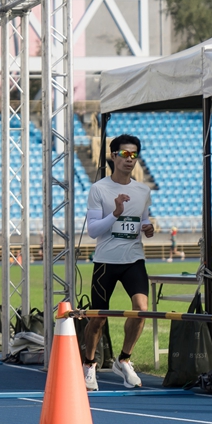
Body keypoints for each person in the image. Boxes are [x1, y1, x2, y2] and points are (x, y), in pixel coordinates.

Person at [82, 134, 154, 391]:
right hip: (106, 262)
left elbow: (143, 221)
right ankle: (89, 364)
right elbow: (93, 230)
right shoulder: (99, 189)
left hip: (134, 259)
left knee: (141, 309)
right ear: (113, 156)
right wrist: (115, 213)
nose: (129, 159)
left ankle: (123, 359)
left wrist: (148, 228)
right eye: (124, 154)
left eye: (134, 155)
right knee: (98, 318)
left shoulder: (143, 191)